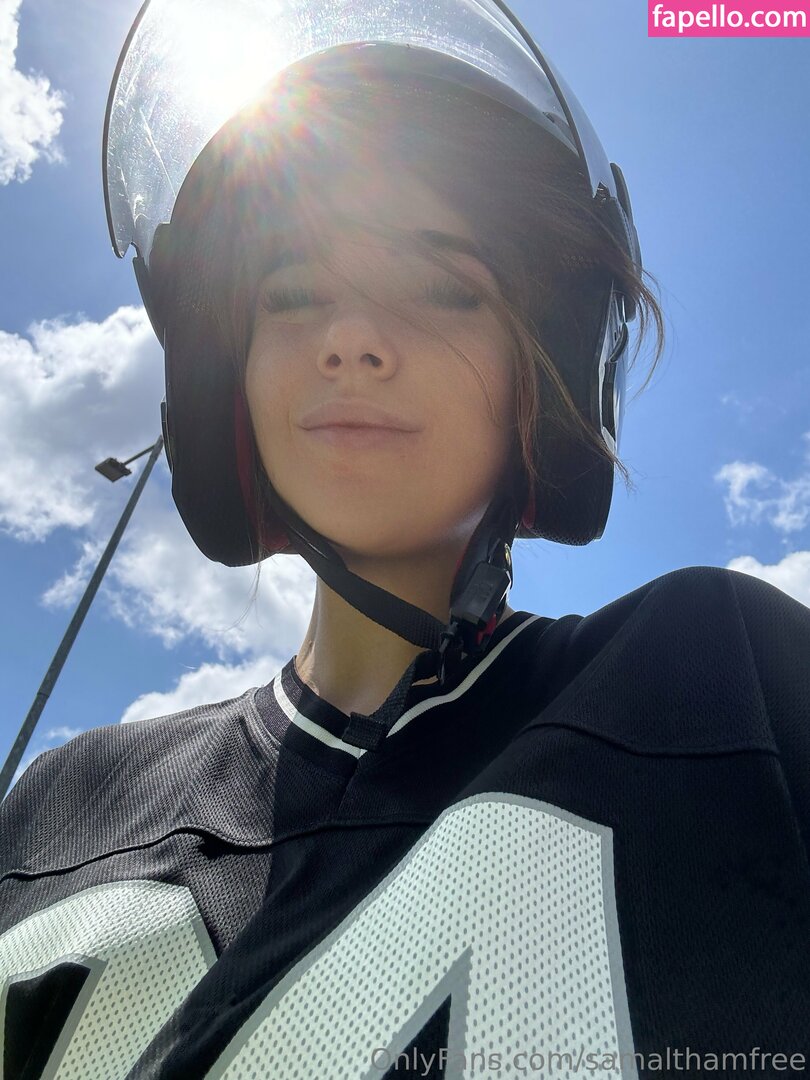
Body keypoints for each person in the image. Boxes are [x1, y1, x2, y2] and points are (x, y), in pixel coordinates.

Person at [1, 0, 809, 1076]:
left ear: (548, 374)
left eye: (441, 287)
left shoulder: (725, 676)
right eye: (293, 293)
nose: (351, 340)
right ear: (221, 377)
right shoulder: (66, 803)